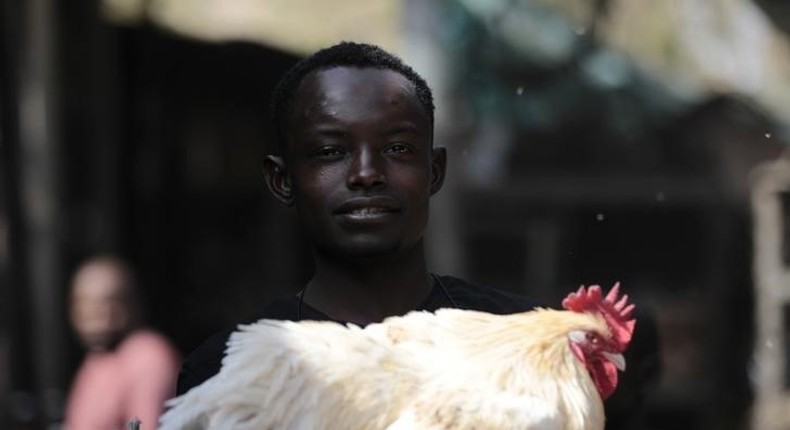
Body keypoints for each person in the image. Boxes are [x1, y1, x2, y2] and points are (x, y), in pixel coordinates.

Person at [176, 41, 542, 395]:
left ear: (434, 170)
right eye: (330, 151)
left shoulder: (525, 345)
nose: (366, 173)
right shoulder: (228, 374)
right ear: (282, 180)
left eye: (398, 148)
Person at [64, 255, 180, 430]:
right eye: (83, 302)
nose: (94, 314)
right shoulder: (96, 361)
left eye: (108, 302)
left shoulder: (148, 356)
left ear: (131, 304)